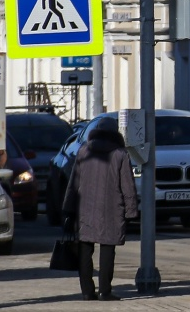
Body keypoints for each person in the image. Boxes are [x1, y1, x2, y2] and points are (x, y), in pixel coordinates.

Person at [62, 117, 138, 301]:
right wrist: (131, 211)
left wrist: (68, 208)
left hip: (85, 209)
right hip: (111, 209)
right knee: (107, 248)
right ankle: (105, 290)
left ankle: (87, 291)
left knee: (85, 249)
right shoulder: (120, 154)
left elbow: (74, 183)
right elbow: (127, 186)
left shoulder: (83, 152)